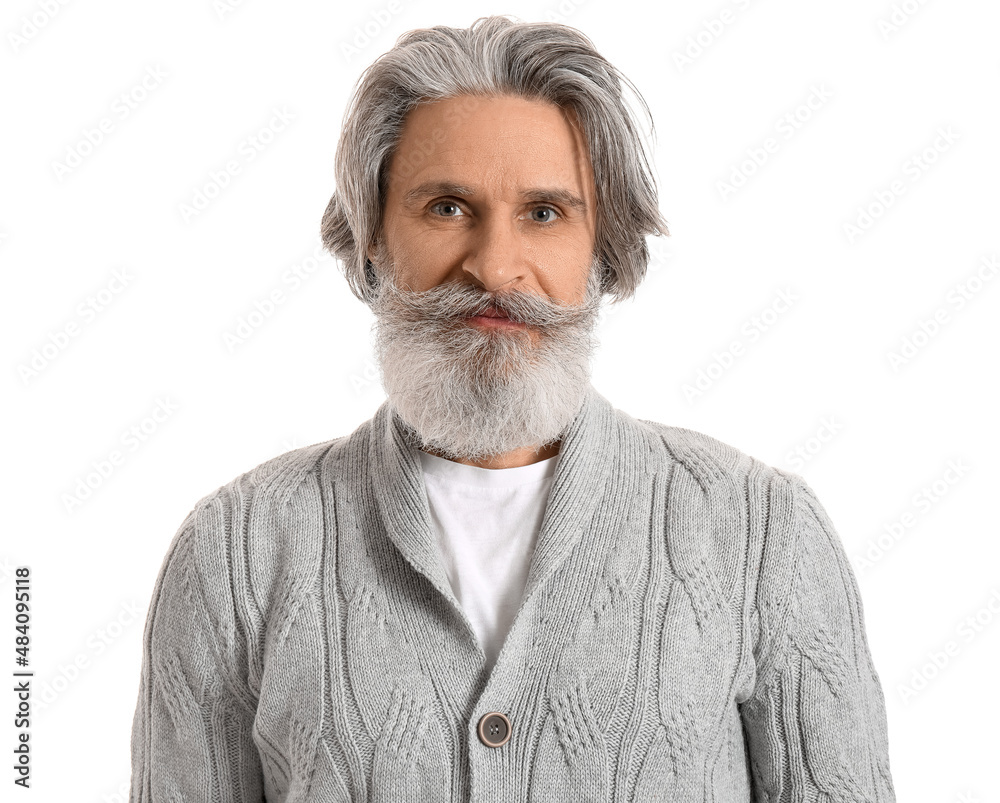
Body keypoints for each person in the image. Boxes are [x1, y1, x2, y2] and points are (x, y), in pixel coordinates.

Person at [128, 15, 896, 802]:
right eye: (447, 208)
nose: (496, 267)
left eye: (545, 213)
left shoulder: (760, 534)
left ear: (603, 250)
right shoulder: (236, 555)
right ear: (371, 241)